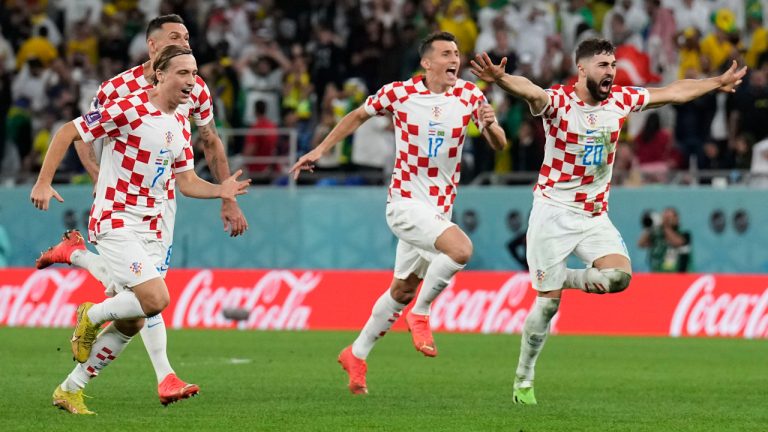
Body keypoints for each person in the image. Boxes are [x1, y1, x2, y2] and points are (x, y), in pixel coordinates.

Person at [470, 38, 746, 405]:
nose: (610, 71)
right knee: (548, 305)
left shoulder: (620, 100)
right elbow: (530, 91)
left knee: (619, 278)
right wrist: (501, 80)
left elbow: (674, 92)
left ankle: (561, 277)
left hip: (594, 213)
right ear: (581, 70)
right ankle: (524, 378)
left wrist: (714, 82)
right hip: (553, 211)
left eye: (613, 64)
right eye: (603, 65)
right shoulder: (559, 103)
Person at [34, 14, 248, 406]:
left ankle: (71, 388)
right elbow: (72, 132)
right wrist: (52, 180)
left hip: (157, 215)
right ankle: (102, 323)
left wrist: (223, 192)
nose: (192, 81)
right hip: (116, 215)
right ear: (157, 63)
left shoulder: (181, 121)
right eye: (183, 70)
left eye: (195, 72)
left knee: (133, 317)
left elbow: (187, 178)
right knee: (154, 298)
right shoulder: (122, 99)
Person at [290, 32, 506, 395]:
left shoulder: (470, 95)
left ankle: (356, 354)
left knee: (402, 289)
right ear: (427, 62)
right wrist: (320, 149)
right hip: (405, 203)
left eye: (457, 53)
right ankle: (421, 314)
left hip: (439, 208)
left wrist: (492, 122)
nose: (455, 59)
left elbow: (498, 144)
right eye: (446, 54)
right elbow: (357, 116)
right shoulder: (399, 93)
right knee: (461, 250)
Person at [638, 207, 692, 272]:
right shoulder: (657, 234)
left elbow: (678, 242)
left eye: (669, 217)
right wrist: (650, 227)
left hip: (677, 274)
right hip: (657, 272)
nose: (667, 220)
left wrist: (665, 226)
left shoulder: (684, 234)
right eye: (665, 217)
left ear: (677, 218)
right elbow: (641, 244)